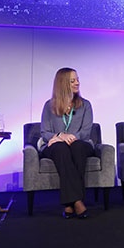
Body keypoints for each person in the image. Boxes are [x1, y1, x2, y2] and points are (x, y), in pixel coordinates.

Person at [40, 68, 94, 219]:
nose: (77, 83)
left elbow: (86, 132)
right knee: (61, 148)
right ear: (62, 83)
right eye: (72, 81)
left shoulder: (85, 105)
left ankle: (69, 204)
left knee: (76, 147)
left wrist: (70, 137)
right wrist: (59, 135)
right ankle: (77, 201)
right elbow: (45, 133)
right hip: (55, 145)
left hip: (80, 143)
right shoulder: (49, 106)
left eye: (77, 79)